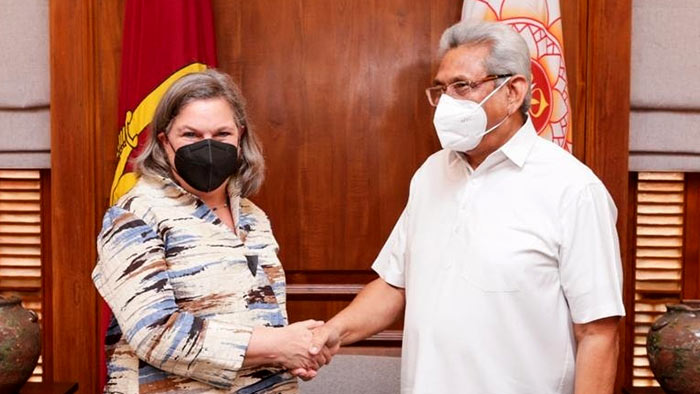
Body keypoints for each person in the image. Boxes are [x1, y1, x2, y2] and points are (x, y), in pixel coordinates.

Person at [308, 21, 625, 394]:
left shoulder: (573, 189)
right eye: (441, 89)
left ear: (513, 91)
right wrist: (331, 332)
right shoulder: (430, 174)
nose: (446, 103)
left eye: (462, 86)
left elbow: (598, 332)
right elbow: (395, 284)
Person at [92, 69, 331, 393]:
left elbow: (264, 321)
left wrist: (301, 349)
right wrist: (278, 345)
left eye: (221, 134)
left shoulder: (252, 217)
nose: (207, 146)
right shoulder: (134, 215)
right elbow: (154, 333)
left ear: (240, 137)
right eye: (190, 134)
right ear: (164, 142)